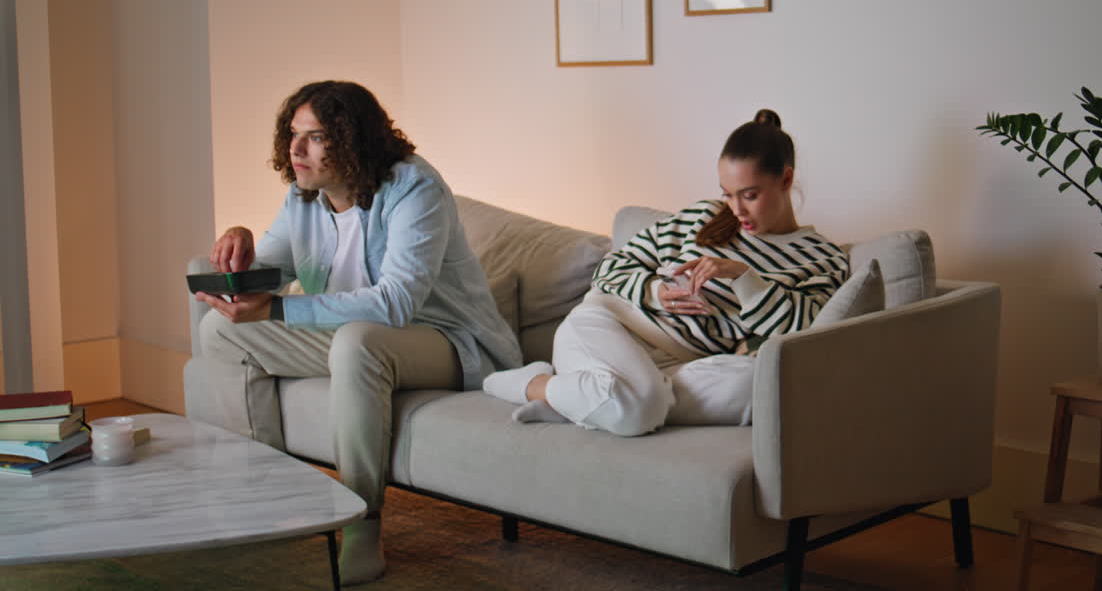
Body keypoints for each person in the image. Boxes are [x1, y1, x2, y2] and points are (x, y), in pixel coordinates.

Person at [194, 80, 520, 585]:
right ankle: (263, 499)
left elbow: (396, 303)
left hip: (450, 342)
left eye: (316, 138)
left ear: (352, 140)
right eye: (293, 135)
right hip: (363, 341)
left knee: (358, 341)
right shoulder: (304, 194)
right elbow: (274, 269)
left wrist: (278, 313)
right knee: (220, 331)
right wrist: (242, 249)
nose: (296, 150)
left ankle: (361, 523)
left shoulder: (416, 187)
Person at [482, 110, 849, 436]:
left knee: (756, 384)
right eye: (728, 194)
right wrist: (654, 292)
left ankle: (583, 401)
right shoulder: (701, 218)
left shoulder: (821, 257)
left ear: (785, 180)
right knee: (644, 405)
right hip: (610, 327)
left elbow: (801, 333)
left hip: (684, 362)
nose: (736, 209)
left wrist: (742, 276)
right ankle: (534, 384)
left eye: (749, 195)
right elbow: (610, 269)